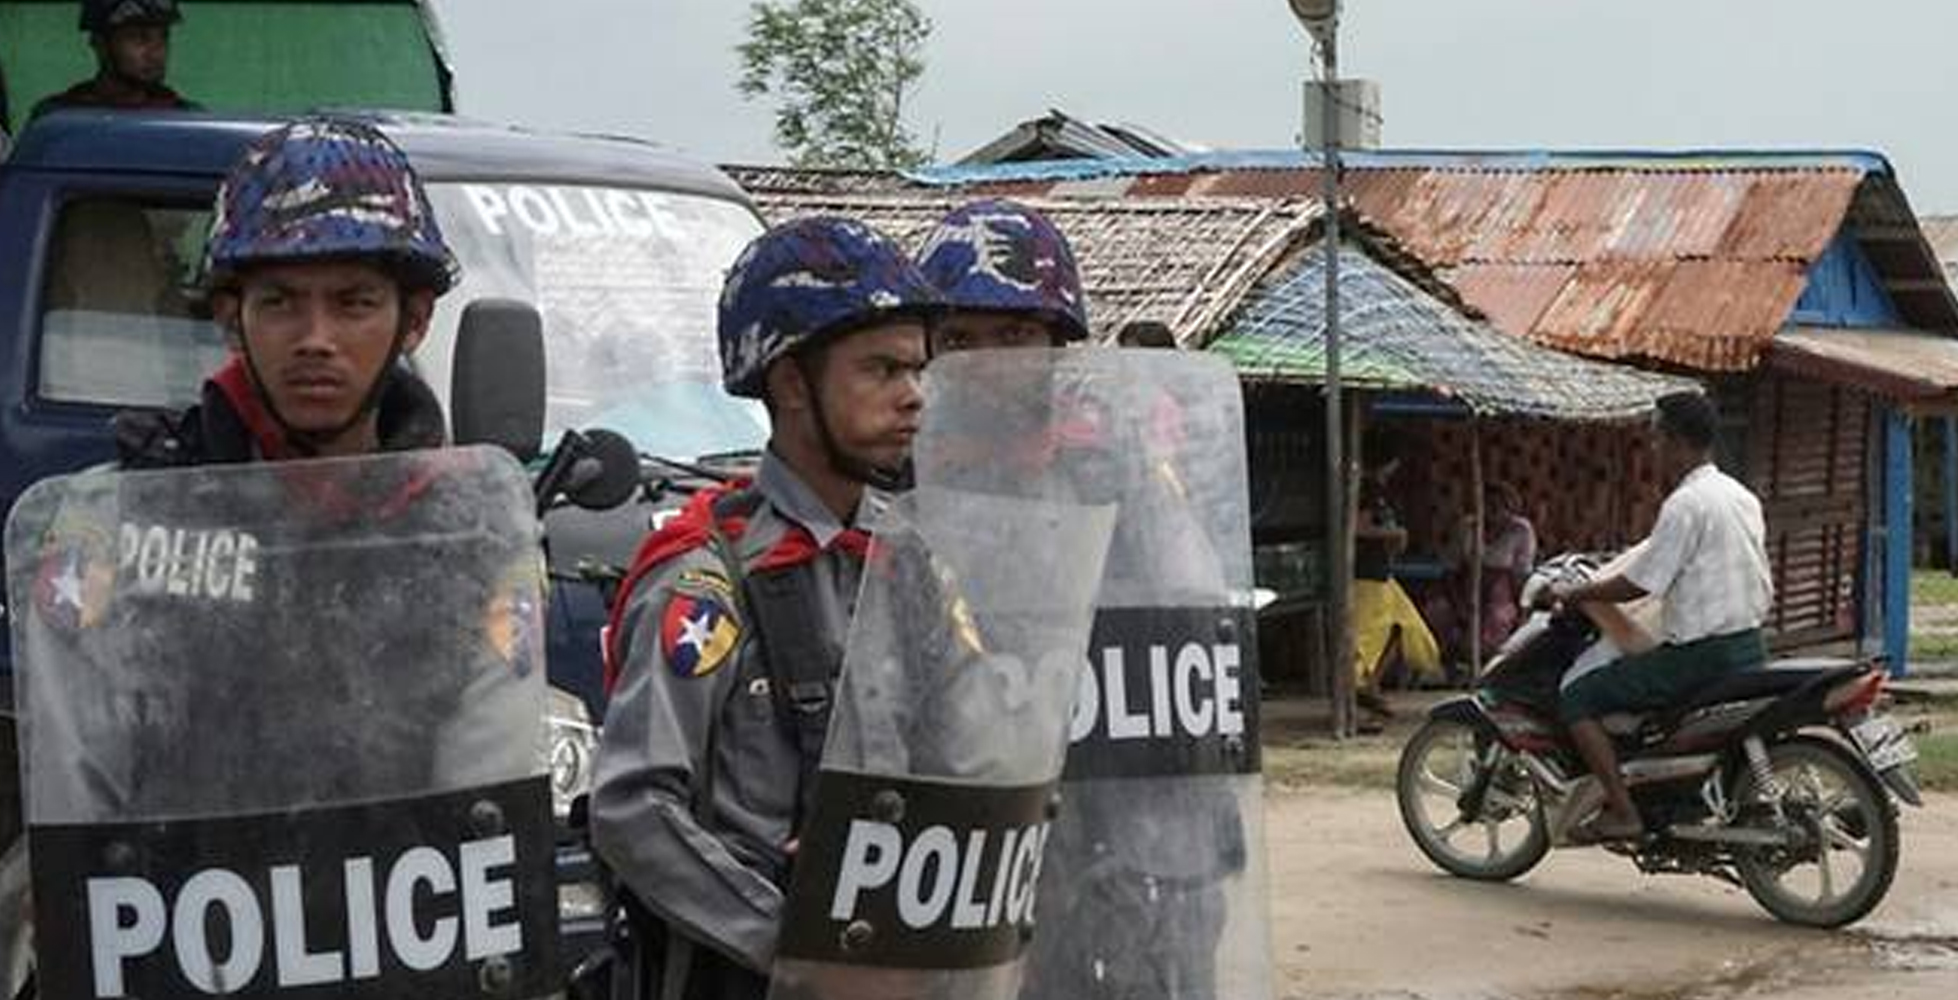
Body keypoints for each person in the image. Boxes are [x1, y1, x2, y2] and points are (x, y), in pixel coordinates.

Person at [589, 216, 936, 1000]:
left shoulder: (911, 562)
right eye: (880, 369)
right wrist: (792, 947)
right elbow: (631, 807)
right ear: (790, 384)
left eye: (918, 369)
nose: (913, 395)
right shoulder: (704, 579)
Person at [919, 199, 1248, 1000]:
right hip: (975, 846)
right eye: (959, 340)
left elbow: (1192, 614)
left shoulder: (1119, 471)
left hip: (1129, 835)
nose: (987, 363)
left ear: (1058, 347)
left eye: (1013, 338)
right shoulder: (907, 483)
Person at [1546, 391, 1772, 841]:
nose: (1652, 449)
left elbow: (1640, 584)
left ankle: (1623, 810)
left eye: (1656, 439)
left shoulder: (1685, 504)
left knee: (1578, 699)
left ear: (1677, 441)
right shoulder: (1739, 495)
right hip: (1749, 643)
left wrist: (1577, 592)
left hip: (1701, 655)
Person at [1352, 431, 1443, 726]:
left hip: (1380, 572)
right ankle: (1359, 696)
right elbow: (1356, 528)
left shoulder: (1376, 489)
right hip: (1365, 573)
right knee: (1365, 640)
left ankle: (1369, 686)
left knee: (1405, 630)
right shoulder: (1365, 488)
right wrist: (1395, 534)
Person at [1425, 482, 1537, 671]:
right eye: (1488, 504)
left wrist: (1523, 610)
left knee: (1497, 619)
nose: (1492, 510)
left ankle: (1486, 666)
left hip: (1501, 593)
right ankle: (1447, 664)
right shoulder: (1468, 526)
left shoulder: (1520, 530)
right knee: (1439, 612)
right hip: (1464, 588)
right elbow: (1451, 570)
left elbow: (1521, 575)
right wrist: (1459, 603)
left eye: (1498, 505)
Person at [30, 0, 200, 122]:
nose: (155, 54)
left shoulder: (189, 118)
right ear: (100, 43)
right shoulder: (56, 118)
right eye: (139, 38)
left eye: (163, 38)